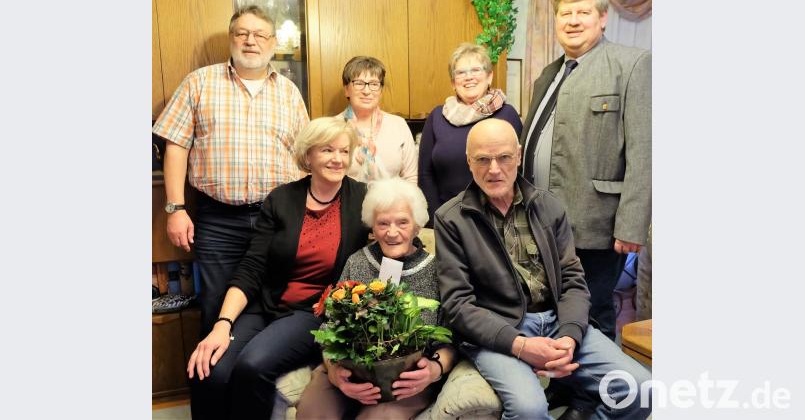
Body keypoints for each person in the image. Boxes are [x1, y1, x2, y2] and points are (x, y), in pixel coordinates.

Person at [434, 118, 651, 420]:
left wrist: (569, 337)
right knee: (529, 410)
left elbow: (574, 282)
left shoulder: (549, 207)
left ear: (519, 156)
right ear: (469, 162)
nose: (494, 169)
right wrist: (520, 345)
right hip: (501, 329)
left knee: (642, 388)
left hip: (557, 321)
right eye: (482, 159)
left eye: (504, 157)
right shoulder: (451, 219)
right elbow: (457, 305)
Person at [185, 117, 370, 420]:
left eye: (344, 151)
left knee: (252, 365)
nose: (337, 159)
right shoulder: (282, 198)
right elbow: (252, 266)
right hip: (265, 304)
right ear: (308, 156)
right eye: (327, 150)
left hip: (312, 311)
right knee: (208, 368)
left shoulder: (362, 198)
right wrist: (223, 323)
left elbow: (397, 231)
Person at [152, 5, 309, 335]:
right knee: (217, 310)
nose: (251, 41)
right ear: (231, 39)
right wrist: (175, 209)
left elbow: (304, 155)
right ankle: (216, 383)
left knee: (275, 304)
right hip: (219, 221)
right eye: (242, 33)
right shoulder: (200, 83)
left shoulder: (289, 92)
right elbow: (176, 146)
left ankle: (260, 380)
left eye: (260, 34)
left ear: (273, 42)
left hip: (280, 218)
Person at [520, 0, 651, 341]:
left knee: (593, 312)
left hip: (597, 225)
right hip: (542, 223)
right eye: (565, 13)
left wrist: (632, 225)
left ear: (602, 18)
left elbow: (644, 151)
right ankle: (565, 386)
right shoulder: (547, 74)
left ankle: (597, 396)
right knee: (556, 310)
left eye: (583, 12)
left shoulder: (632, 65)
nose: (573, 20)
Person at [297, 177, 455, 420]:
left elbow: (451, 338)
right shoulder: (357, 262)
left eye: (402, 222)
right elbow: (329, 326)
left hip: (404, 380)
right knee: (313, 412)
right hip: (349, 370)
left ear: (417, 226)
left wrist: (434, 369)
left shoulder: (436, 271)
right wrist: (334, 371)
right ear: (372, 226)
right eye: (383, 223)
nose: (392, 232)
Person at [418, 43, 521, 225]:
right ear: (453, 82)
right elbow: (426, 174)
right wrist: (437, 218)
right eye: (461, 72)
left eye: (476, 70)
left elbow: (520, 169)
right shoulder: (437, 117)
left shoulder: (507, 114)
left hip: (497, 219)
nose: (469, 77)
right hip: (447, 218)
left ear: (489, 76)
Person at [335, 56, 418, 183]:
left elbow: (411, 178)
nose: (367, 91)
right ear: (346, 90)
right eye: (359, 83)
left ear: (381, 90)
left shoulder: (398, 125)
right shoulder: (332, 128)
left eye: (374, 84)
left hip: (392, 202)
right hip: (346, 202)